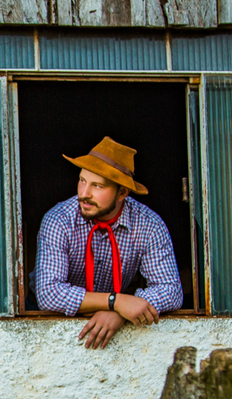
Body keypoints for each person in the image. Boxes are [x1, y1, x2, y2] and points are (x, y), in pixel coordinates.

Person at [33, 136, 182, 349]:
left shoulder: (149, 224)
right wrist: (117, 302)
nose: (84, 194)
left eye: (98, 186)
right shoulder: (59, 220)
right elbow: (49, 294)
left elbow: (171, 290)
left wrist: (122, 313)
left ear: (122, 192)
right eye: (82, 180)